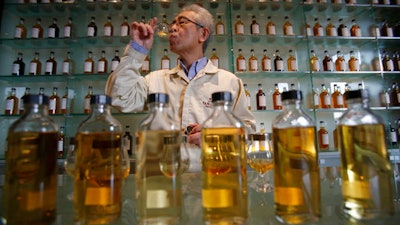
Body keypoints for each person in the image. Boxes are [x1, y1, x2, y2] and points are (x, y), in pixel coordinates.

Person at [105, 4, 256, 169]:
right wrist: (137, 50)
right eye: (172, 24)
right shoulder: (155, 79)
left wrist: (216, 136)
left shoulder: (229, 82)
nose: (173, 29)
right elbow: (119, 98)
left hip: (213, 180)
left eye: (182, 23)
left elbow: (248, 133)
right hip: (164, 180)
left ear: (203, 34)